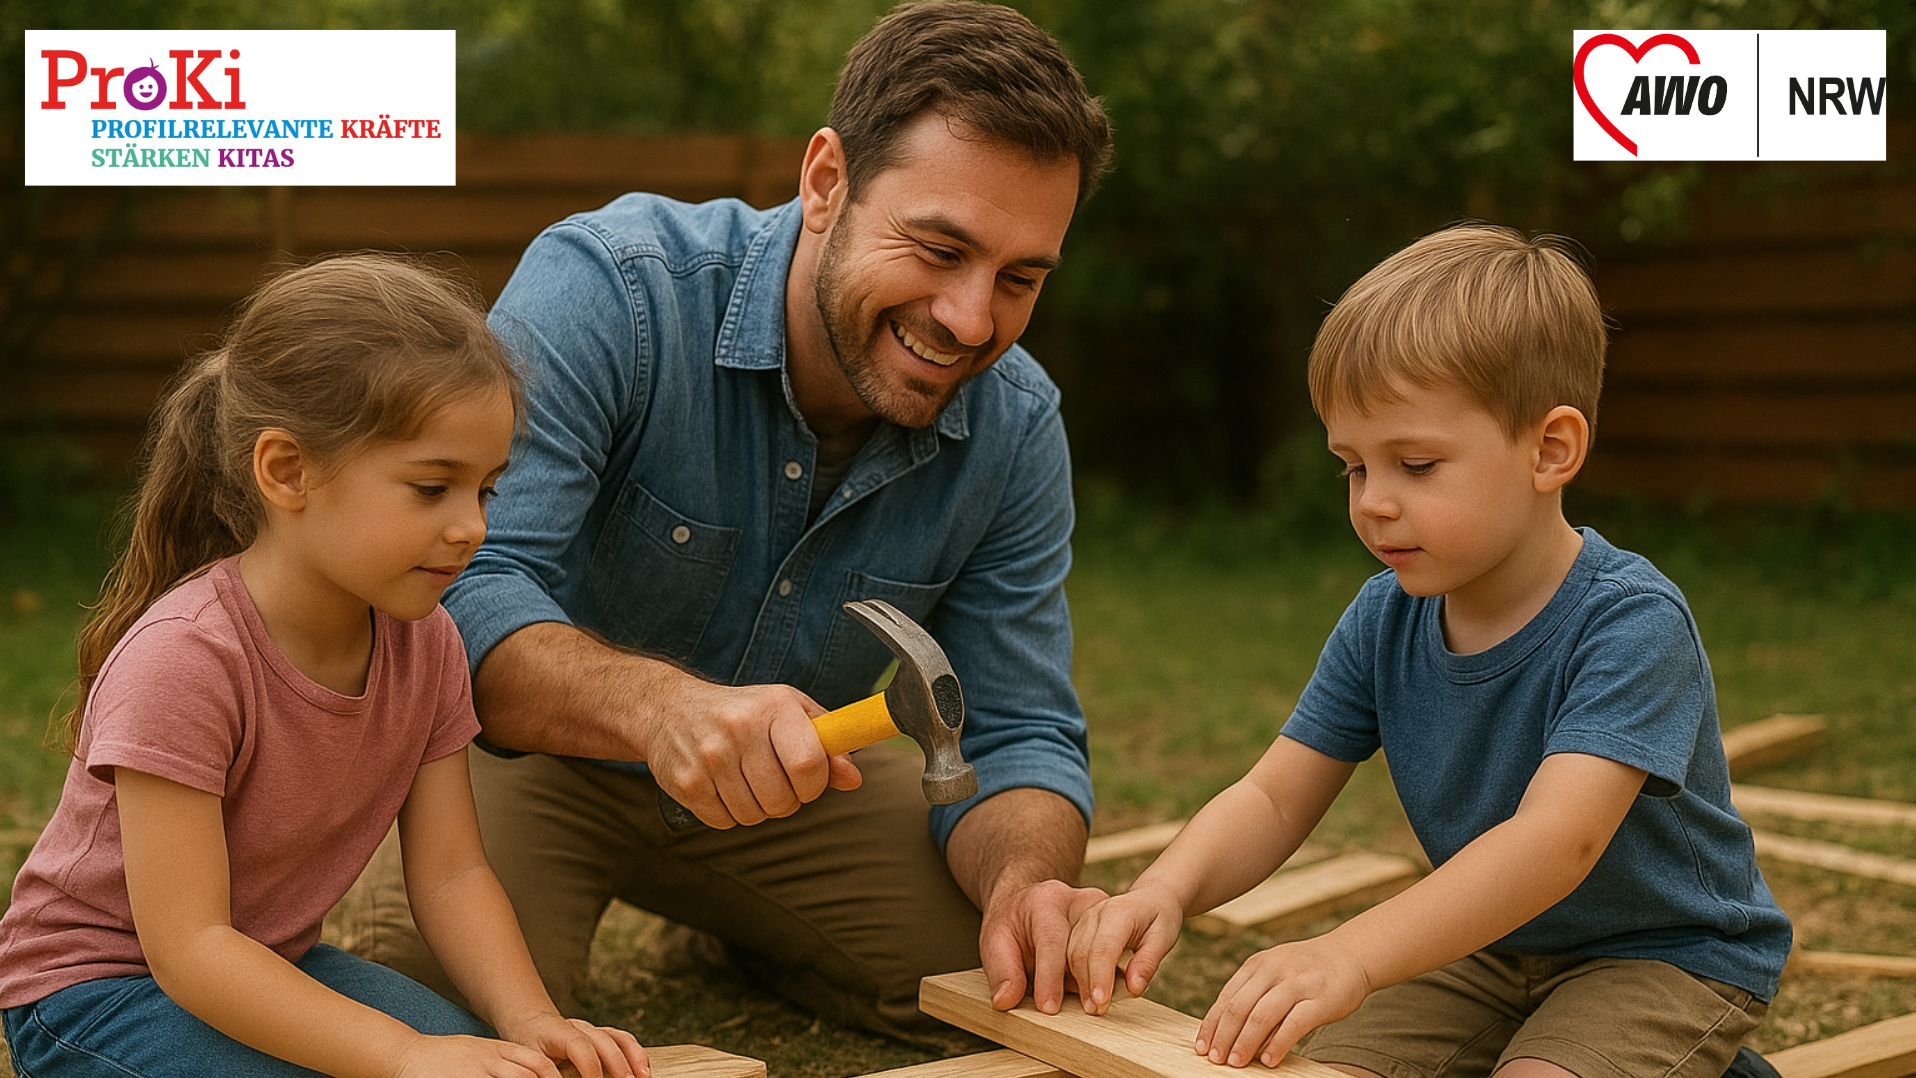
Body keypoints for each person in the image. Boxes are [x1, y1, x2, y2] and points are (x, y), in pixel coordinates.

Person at [340, 0, 1115, 1047]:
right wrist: (659, 709)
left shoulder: (1016, 429)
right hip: (524, 757)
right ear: (826, 181)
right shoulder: (611, 290)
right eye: (938, 250)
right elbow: (462, 593)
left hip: (795, 786)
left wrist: (1025, 879)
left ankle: (745, 929)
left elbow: (1018, 729)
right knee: (447, 1022)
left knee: (1003, 984)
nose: (971, 318)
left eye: (1018, 279)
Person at [1058, 224, 1792, 1076]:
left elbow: (1557, 841)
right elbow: (1273, 797)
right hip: (1489, 947)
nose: (1373, 502)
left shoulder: (1630, 623)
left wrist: (1350, 954)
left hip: (1663, 957)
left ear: (1550, 450)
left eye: (1414, 464)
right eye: (1353, 467)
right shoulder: (1385, 619)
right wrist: (1163, 889)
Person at [0, 255, 648, 1078]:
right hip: (98, 993)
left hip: (272, 960)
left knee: (489, 1064)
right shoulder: (184, 660)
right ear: (287, 471)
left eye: (485, 490)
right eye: (432, 488)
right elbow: (190, 948)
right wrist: (401, 1053)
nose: (473, 527)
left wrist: (530, 1020)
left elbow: (452, 873)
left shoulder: (429, 643)